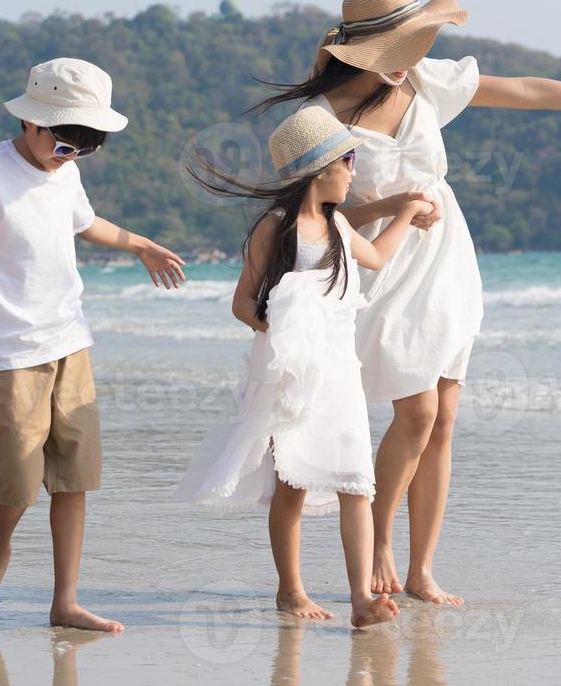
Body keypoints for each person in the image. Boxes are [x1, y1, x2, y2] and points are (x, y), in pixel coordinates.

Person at [257, 0, 561, 604]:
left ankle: (421, 567)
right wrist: (397, 204)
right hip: (381, 263)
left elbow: (523, 90)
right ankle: (378, 544)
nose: (414, 57)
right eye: (403, 46)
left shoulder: (425, 82)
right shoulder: (318, 120)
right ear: (368, 52)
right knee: (417, 411)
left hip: (445, 258)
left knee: (444, 419)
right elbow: (317, 210)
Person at [0, 58, 187, 632]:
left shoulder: (66, 170)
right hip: (5, 351)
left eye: (86, 148)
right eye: (65, 144)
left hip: (69, 339)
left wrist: (140, 244)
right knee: (16, 480)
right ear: (32, 124)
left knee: (74, 475)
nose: (71, 156)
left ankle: (65, 600)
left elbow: (84, 223)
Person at [176, 105, 428, 628]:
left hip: (339, 372)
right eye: (349, 160)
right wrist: (285, 331)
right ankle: (290, 590)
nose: (354, 170)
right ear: (321, 168)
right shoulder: (275, 228)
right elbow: (243, 304)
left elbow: (377, 257)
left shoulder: (336, 223)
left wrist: (404, 212)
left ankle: (361, 600)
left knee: (356, 482)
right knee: (290, 484)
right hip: (292, 375)